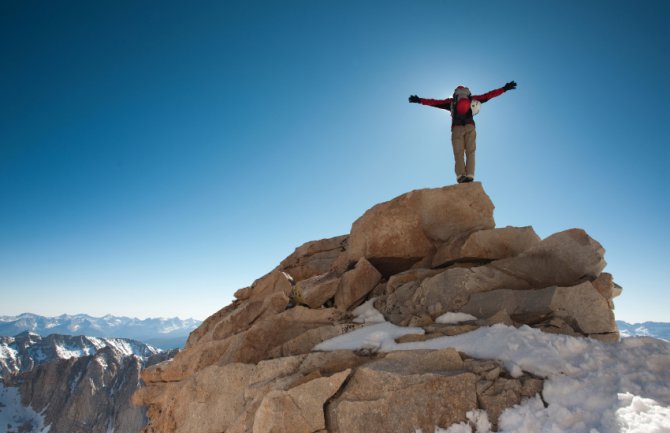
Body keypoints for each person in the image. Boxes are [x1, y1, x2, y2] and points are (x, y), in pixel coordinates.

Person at [409, 81, 516, 183]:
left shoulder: (451, 102)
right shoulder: (472, 99)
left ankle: (461, 176)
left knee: (458, 153)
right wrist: (505, 88)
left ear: (455, 93)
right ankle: (470, 175)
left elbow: (434, 102)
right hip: (470, 126)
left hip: (457, 128)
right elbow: (489, 95)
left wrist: (419, 100)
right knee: (470, 152)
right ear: (467, 92)